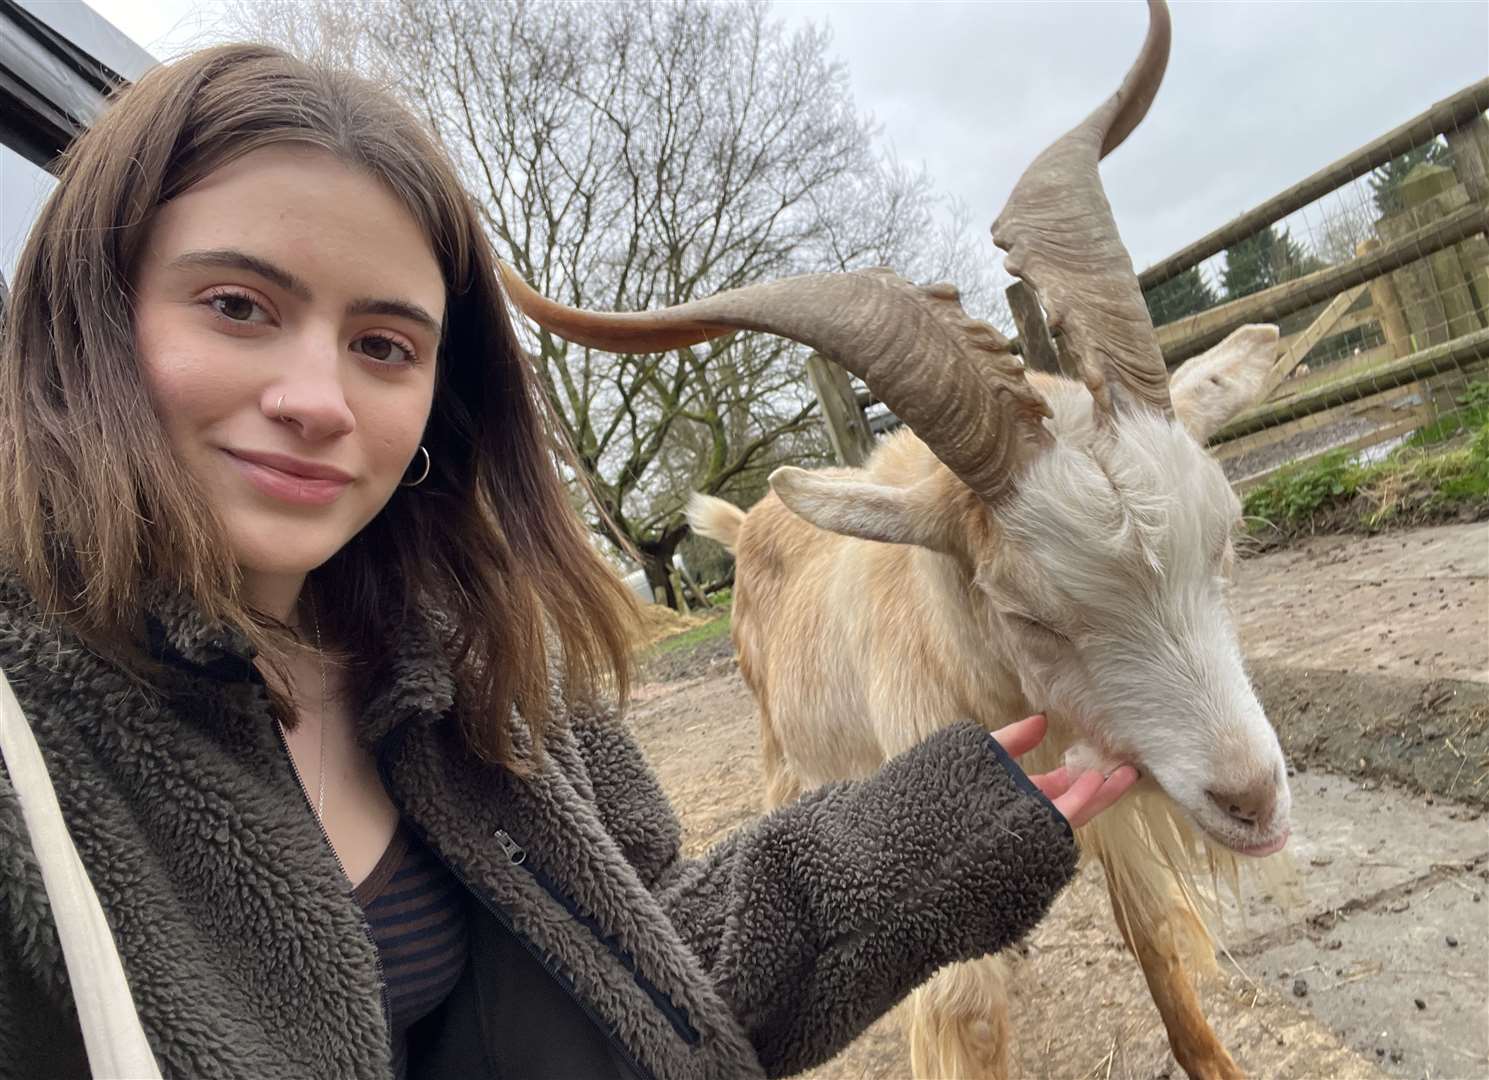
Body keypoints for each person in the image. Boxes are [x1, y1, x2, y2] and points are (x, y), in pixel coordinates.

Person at [0, 44, 1138, 1080]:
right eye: (237, 306)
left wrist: (916, 850)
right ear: (92, 316)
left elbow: (645, 979)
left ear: (442, 389)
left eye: (383, 345)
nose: (317, 402)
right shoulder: (24, 747)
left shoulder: (479, 658)